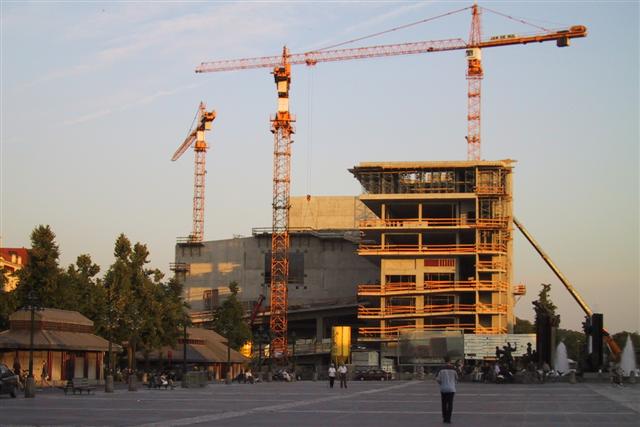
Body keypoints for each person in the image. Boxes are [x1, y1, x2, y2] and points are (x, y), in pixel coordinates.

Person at [436, 358, 458, 424]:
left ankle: (444, 418)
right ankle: (449, 419)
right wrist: (454, 382)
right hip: (451, 389)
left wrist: (441, 383)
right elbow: (457, 378)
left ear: (444, 361)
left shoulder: (441, 369)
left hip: (443, 389)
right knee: (450, 404)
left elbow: (437, 379)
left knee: (444, 403)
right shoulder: (454, 369)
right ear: (450, 361)